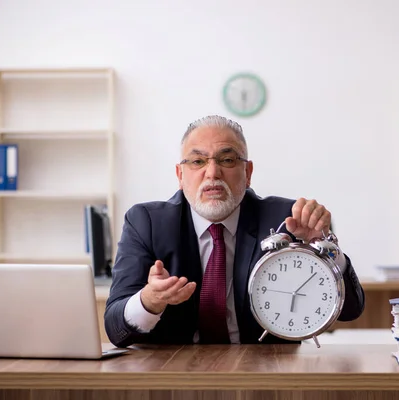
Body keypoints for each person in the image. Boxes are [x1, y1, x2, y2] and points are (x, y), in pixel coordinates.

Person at [104, 115, 365, 347]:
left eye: (227, 159)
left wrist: (324, 247)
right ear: (180, 175)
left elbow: (350, 310)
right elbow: (116, 330)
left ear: (248, 172)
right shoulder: (146, 222)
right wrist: (149, 301)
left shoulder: (287, 219)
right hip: (173, 376)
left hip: (265, 373)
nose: (212, 173)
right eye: (197, 161)